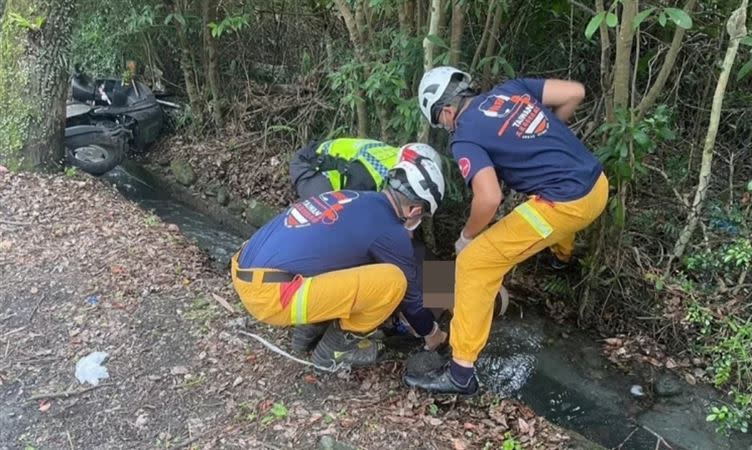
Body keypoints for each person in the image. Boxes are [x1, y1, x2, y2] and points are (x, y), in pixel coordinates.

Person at [404, 66, 609, 394]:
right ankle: (561, 258)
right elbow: (575, 93)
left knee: (474, 263)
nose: (445, 128)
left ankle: (460, 373)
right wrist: (545, 141)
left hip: (565, 205)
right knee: (534, 208)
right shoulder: (511, 89)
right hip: (597, 185)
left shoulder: (465, 136)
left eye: (440, 122)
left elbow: (489, 198)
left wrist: (466, 238)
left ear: (445, 110)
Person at [231, 152, 449, 369]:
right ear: (415, 210)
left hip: (244, 266)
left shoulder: (354, 197)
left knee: (352, 259)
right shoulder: (391, 233)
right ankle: (335, 350)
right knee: (394, 281)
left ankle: (308, 331)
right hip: (269, 296)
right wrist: (433, 334)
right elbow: (413, 303)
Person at [289, 137, 443, 200]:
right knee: (331, 219)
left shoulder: (393, 158)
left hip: (326, 159)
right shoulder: (372, 175)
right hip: (311, 165)